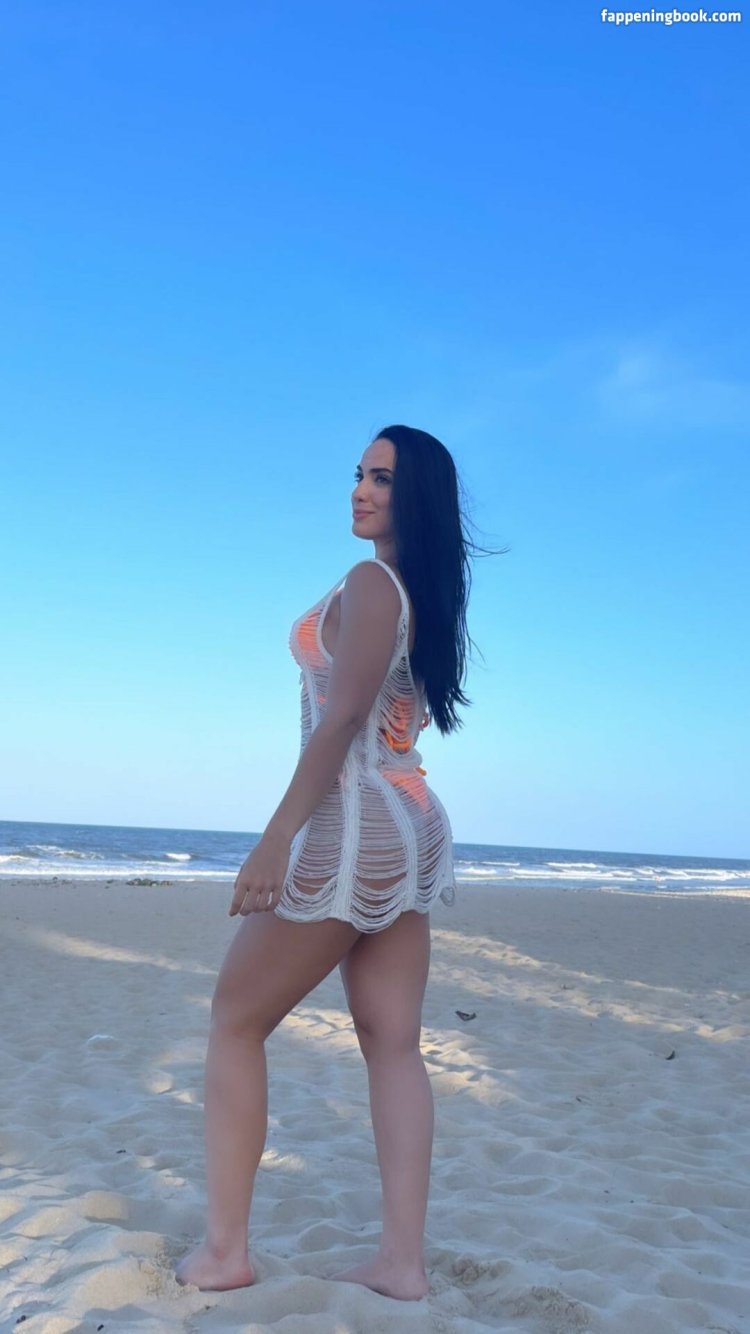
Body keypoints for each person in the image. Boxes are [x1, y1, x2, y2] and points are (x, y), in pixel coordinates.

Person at [175, 425, 480, 1301]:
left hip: (352, 825)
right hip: (408, 818)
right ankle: (401, 1265)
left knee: (236, 1020)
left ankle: (225, 1252)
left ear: (416, 497)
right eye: (359, 474)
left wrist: (276, 839)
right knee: (393, 1043)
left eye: (381, 479)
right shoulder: (421, 591)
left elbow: (344, 719)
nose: (360, 490)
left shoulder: (373, 583)